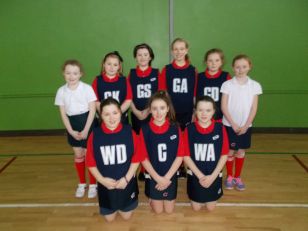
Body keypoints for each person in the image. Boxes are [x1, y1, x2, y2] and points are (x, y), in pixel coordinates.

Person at [85, 97, 142, 222]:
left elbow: (137, 158)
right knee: (109, 219)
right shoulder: (95, 135)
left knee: (126, 217)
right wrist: (101, 180)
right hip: (106, 184)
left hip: (125, 181)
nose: (111, 118)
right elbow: (90, 162)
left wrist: (127, 178)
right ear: (100, 116)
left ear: (120, 113)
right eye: (106, 114)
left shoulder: (129, 132)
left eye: (115, 113)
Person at [54, 59, 97, 198]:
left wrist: (85, 130)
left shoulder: (87, 88)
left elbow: (92, 111)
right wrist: (71, 131)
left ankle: (93, 184)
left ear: (81, 74)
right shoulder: (61, 91)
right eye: (68, 73)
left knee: (89, 154)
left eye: (75, 73)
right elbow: (63, 114)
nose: (71, 76)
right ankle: (82, 183)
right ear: (63, 74)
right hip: (72, 125)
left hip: (87, 123)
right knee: (78, 154)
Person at [221, 54, 262, 191]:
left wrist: (246, 125)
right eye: (237, 67)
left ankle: (238, 177)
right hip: (229, 125)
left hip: (245, 126)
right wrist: (232, 123)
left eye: (244, 66)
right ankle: (230, 176)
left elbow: (254, 108)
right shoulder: (227, 84)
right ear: (233, 68)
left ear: (249, 67)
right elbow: (224, 106)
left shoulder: (255, 85)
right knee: (229, 151)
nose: (241, 69)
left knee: (241, 151)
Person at [139, 91, 184, 214]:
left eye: (162, 108)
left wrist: (166, 178)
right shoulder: (145, 129)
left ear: (168, 109)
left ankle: (155, 196)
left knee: (169, 211)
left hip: (170, 175)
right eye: (154, 109)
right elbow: (143, 158)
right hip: (153, 175)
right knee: (158, 211)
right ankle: (151, 197)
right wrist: (158, 178)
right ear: (150, 110)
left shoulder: (175, 128)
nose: (159, 112)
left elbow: (180, 156)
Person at [159, 38, 197, 178]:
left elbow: (194, 93)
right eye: (176, 49)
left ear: (186, 50)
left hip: (187, 112)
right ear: (172, 51)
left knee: (186, 139)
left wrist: (194, 111)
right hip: (172, 113)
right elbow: (163, 93)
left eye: (182, 49)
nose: (179, 52)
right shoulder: (167, 69)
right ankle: (177, 167)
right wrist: (167, 111)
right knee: (173, 140)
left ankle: (188, 166)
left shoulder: (192, 70)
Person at [183, 96, 229, 211]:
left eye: (208, 110)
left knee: (210, 208)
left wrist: (212, 176)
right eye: (200, 110)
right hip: (196, 175)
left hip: (213, 175)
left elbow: (224, 155)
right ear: (195, 111)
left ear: (213, 111)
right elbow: (186, 156)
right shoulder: (189, 129)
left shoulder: (220, 128)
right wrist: (200, 176)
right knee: (196, 208)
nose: (204, 114)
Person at [128, 43, 159, 181]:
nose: (142, 57)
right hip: (136, 114)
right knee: (138, 142)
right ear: (135, 57)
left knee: (150, 141)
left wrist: (148, 110)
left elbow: (158, 95)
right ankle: (139, 168)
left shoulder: (156, 73)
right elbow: (128, 95)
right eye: (139, 55)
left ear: (150, 56)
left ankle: (148, 169)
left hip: (152, 114)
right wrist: (135, 110)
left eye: (145, 54)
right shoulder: (131, 74)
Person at [91, 51, 132, 123]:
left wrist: (117, 114)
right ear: (104, 64)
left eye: (115, 65)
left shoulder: (124, 80)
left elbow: (128, 100)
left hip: (120, 118)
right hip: (103, 118)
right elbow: (95, 101)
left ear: (119, 67)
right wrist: (105, 114)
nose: (112, 67)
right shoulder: (97, 80)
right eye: (109, 64)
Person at [196, 48, 231, 121]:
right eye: (210, 60)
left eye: (217, 60)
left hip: (220, 118)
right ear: (206, 62)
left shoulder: (226, 76)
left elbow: (230, 99)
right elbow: (194, 97)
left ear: (221, 62)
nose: (213, 63)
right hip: (202, 118)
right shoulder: (199, 77)